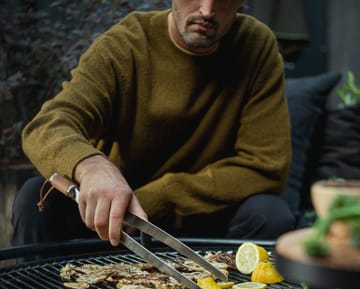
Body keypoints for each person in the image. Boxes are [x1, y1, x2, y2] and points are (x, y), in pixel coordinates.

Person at [12, 0, 296, 247]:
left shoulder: (256, 46)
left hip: (202, 217)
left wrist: (159, 197)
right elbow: (47, 124)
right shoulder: (127, 43)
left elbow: (266, 165)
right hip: (112, 221)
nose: (207, 10)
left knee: (270, 213)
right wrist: (91, 166)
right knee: (35, 196)